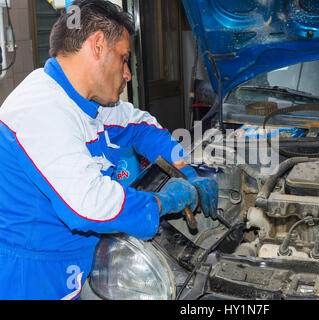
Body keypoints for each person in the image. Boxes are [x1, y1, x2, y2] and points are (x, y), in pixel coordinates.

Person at [0, 0, 217, 300]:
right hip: (32, 281)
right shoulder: (39, 109)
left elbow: (142, 127)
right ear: (98, 45)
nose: (128, 73)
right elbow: (89, 205)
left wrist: (185, 168)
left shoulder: (90, 102)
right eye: (124, 58)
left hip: (77, 268)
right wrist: (161, 203)